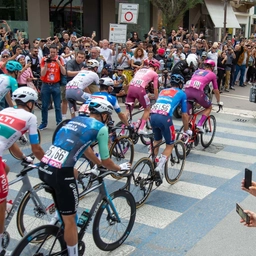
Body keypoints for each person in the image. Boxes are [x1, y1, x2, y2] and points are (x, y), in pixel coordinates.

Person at [38, 98, 131, 256]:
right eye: (107, 116)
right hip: (61, 173)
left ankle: (56, 218)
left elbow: (86, 148)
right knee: (71, 222)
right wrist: (117, 168)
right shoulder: (100, 128)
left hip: (44, 166)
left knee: (73, 178)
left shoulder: (75, 120)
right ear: (102, 115)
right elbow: (107, 160)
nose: (108, 119)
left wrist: (97, 164)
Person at [0, 87, 45, 256]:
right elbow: (37, 148)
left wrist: (24, 158)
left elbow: (10, 141)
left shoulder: (6, 110)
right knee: (1, 202)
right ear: (30, 103)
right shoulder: (30, 117)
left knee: (7, 168)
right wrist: (50, 163)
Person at [150, 74, 190, 185]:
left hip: (152, 116)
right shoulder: (182, 93)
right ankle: (160, 167)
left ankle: (152, 162)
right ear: (181, 84)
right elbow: (184, 115)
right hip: (165, 118)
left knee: (157, 141)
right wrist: (186, 130)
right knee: (170, 145)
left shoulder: (163, 91)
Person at [184, 59, 222, 133]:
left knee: (189, 114)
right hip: (197, 92)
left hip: (187, 91)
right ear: (213, 67)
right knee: (209, 107)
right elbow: (216, 90)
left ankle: (185, 135)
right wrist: (218, 101)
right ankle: (200, 124)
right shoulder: (212, 74)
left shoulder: (197, 71)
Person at [125, 60, 160, 135]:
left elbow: (131, 82)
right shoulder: (155, 74)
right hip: (140, 89)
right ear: (156, 68)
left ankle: (122, 129)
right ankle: (141, 129)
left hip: (131, 88)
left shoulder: (140, 70)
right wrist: (157, 99)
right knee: (147, 109)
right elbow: (155, 89)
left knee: (128, 110)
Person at [38, 44, 66, 130]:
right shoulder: (44, 59)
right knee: (44, 106)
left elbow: (64, 72)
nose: (53, 54)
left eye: (54, 52)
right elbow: (42, 73)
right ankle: (44, 122)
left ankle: (59, 122)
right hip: (46, 84)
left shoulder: (60, 59)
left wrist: (59, 64)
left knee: (57, 105)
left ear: (56, 51)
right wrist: (46, 64)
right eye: (51, 52)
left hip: (55, 84)